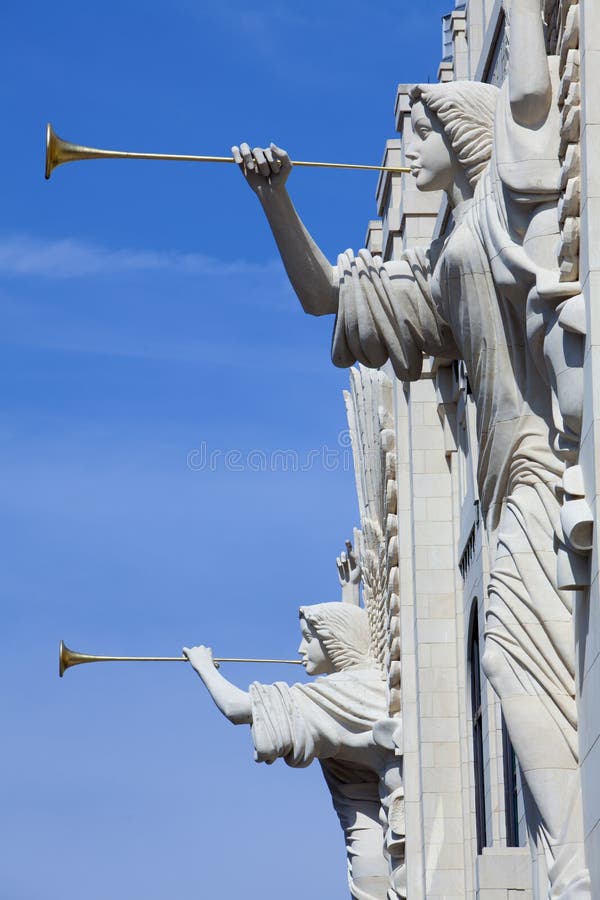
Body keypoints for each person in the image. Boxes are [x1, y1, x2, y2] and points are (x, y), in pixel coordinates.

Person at [230, 2, 589, 895]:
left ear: (460, 129)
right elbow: (325, 297)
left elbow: (534, 96)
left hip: (546, 466)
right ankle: (570, 850)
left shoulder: (505, 208)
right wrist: (276, 198)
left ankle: (573, 853)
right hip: (511, 484)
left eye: (424, 126)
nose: (411, 149)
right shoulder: (439, 275)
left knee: (516, 656)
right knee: (511, 662)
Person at [184, 602, 397, 900]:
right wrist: (351, 589)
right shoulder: (363, 685)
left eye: (309, 638)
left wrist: (203, 666)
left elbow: (236, 708)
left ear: (335, 639)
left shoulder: (340, 693)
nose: (300, 649)